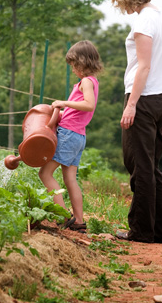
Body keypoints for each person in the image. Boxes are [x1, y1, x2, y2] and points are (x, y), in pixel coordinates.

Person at [108, 0, 162, 244]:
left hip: (145, 99)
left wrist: (131, 105)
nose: (119, 6)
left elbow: (144, 66)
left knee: (139, 166)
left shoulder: (143, 23)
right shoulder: (160, 17)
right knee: (151, 167)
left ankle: (141, 231)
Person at [38, 40, 103, 233]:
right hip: (78, 136)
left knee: (45, 173)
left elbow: (89, 105)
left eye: (74, 65)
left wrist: (63, 103)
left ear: (83, 63)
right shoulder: (92, 82)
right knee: (70, 179)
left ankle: (64, 216)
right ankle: (79, 221)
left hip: (69, 135)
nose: (73, 69)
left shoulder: (86, 82)